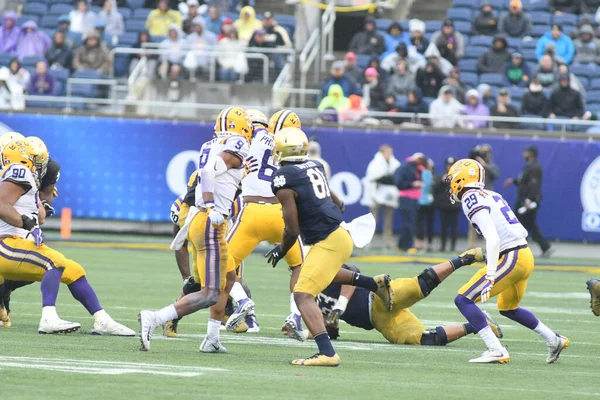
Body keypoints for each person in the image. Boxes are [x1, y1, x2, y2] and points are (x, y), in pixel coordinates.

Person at [266, 126, 393, 366]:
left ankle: (327, 352)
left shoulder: (284, 178)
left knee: (303, 294)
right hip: (340, 234)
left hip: (328, 240)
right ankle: (372, 283)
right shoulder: (315, 165)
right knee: (326, 275)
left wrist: (281, 249)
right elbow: (339, 202)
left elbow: (292, 229)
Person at [139, 107, 254, 353]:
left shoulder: (210, 144)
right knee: (210, 293)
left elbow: (214, 171)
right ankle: (155, 318)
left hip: (204, 220)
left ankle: (212, 338)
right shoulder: (237, 143)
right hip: (210, 220)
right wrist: (212, 203)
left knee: (229, 279)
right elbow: (209, 170)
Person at [0, 136, 135, 336]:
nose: (39, 164)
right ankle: (48, 318)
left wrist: (38, 215)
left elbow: (39, 214)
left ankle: (102, 320)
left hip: (18, 244)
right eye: (33, 158)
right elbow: (2, 205)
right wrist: (26, 222)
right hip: (6, 245)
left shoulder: (26, 178)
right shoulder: (17, 171)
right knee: (54, 262)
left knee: (74, 270)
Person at [449, 158, 568, 364]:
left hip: (511, 256)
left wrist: (490, 275)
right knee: (508, 307)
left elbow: (493, 238)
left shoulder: (470, 198)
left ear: (460, 179)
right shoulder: (491, 194)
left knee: (463, 299)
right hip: (525, 255)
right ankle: (553, 339)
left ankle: (495, 349)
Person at [284, 254, 505, 346]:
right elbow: (329, 331)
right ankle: (479, 323)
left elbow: (351, 272)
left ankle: (463, 259)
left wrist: (339, 307)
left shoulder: (321, 273)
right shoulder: (306, 298)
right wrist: (302, 333)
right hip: (380, 322)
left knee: (420, 286)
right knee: (427, 340)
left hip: (379, 297)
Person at [219, 111, 305, 334]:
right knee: (299, 267)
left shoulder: (253, 135)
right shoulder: (294, 149)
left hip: (252, 212)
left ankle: (242, 302)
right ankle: (295, 314)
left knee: (222, 262)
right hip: (281, 212)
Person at [502, 147, 554, 258]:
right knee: (529, 225)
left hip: (527, 201)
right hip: (525, 200)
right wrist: (514, 181)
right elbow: (524, 182)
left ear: (530, 154)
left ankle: (520, 249)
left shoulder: (534, 167)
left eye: (525, 152)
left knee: (519, 225)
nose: (523, 154)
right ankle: (544, 247)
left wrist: (528, 200)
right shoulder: (530, 165)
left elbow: (533, 185)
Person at [365, 145, 401, 250]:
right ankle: (368, 242)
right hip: (376, 194)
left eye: (390, 152)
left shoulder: (394, 163)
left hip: (389, 196)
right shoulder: (375, 163)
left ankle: (388, 242)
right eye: (387, 152)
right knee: (373, 220)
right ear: (382, 152)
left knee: (388, 221)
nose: (389, 154)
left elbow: (397, 175)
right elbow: (372, 176)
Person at [394, 153, 426, 253]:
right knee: (408, 222)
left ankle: (401, 245)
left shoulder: (417, 168)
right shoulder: (405, 167)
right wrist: (412, 184)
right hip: (406, 198)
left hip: (414, 198)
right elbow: (398, 182)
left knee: (407, 222)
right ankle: (408, 245)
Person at [433, 156, 461, 252]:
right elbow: (435, 189)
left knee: (454, 226)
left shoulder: (460, 177)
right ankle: (443, 246)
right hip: (443, 206)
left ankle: (453, 247)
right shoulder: (441, 176)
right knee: (443, 227)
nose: (449, 167)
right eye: (448, 165)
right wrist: (442, 181)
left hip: (455, 206)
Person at [415, 159, 434, 252]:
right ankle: (426, 243)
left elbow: (425, 186)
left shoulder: (425, 173)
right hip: (425, 201)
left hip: (422, 201)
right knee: (425, 223)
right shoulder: (427, 173)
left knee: (421, 223)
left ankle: (420, 243)